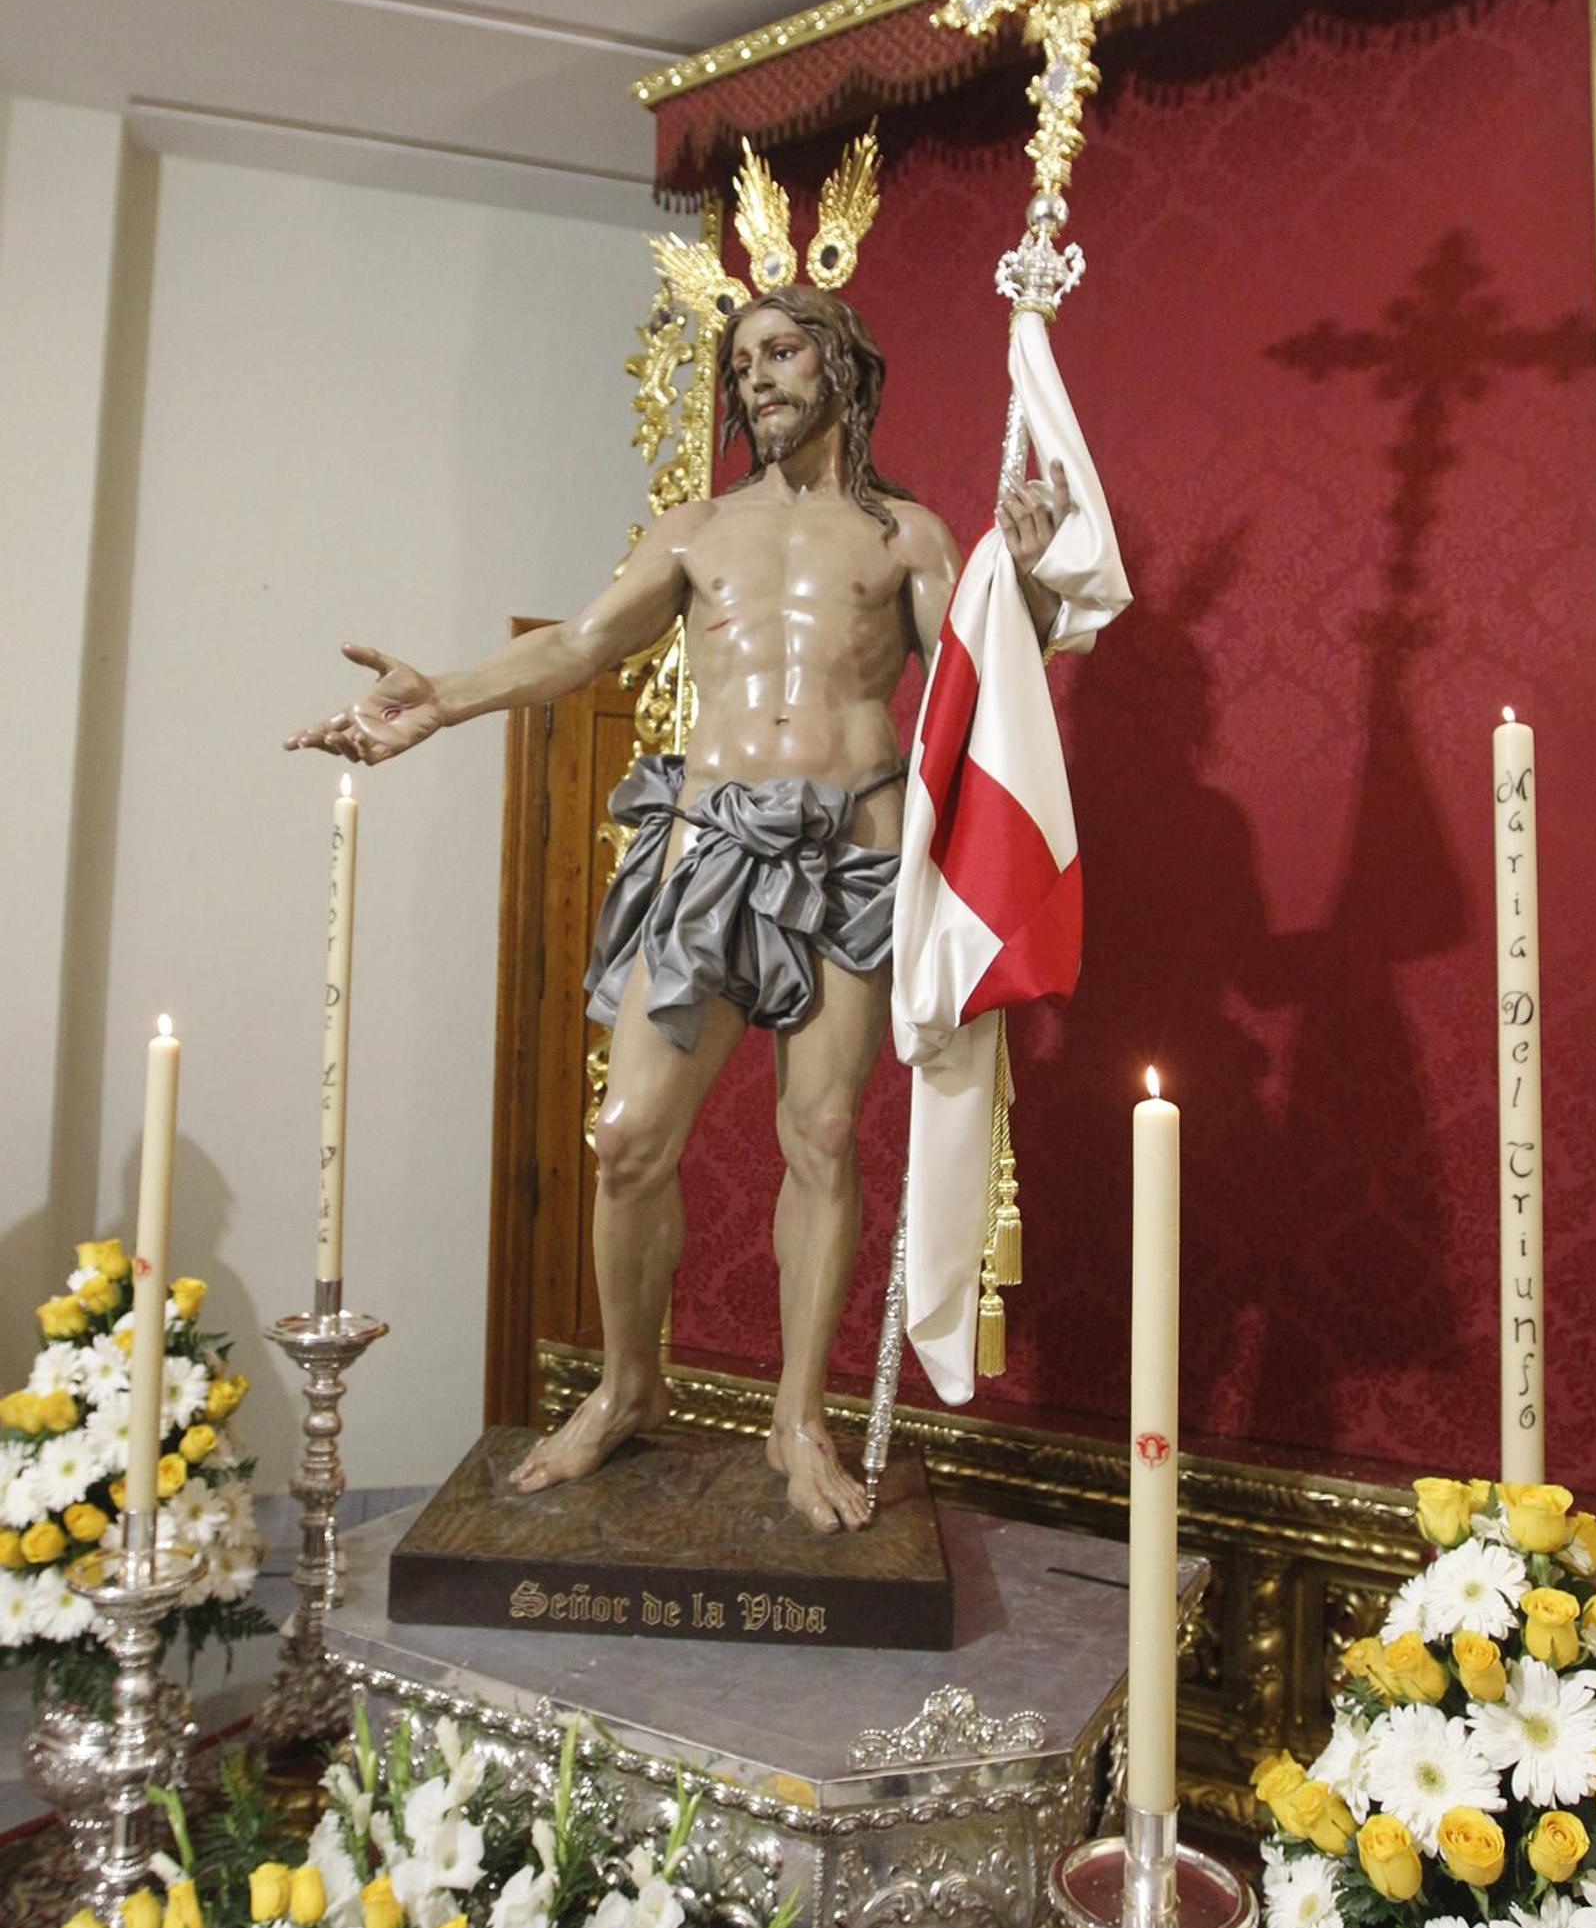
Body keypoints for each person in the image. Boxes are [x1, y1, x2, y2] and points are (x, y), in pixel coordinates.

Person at [285, 283, 1070, 1531]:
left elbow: (990, 677)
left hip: (845, 858)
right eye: (742, 360)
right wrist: (440, 697)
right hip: (703, 851)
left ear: (843, 367)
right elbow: (578, 647)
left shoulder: (912, 536)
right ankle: (628, 1382)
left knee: (818, 1137)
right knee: (629, 1135)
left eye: (782, 351)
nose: (757, 378)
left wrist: (1023, 578)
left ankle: (797, 1416)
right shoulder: (695, 528)